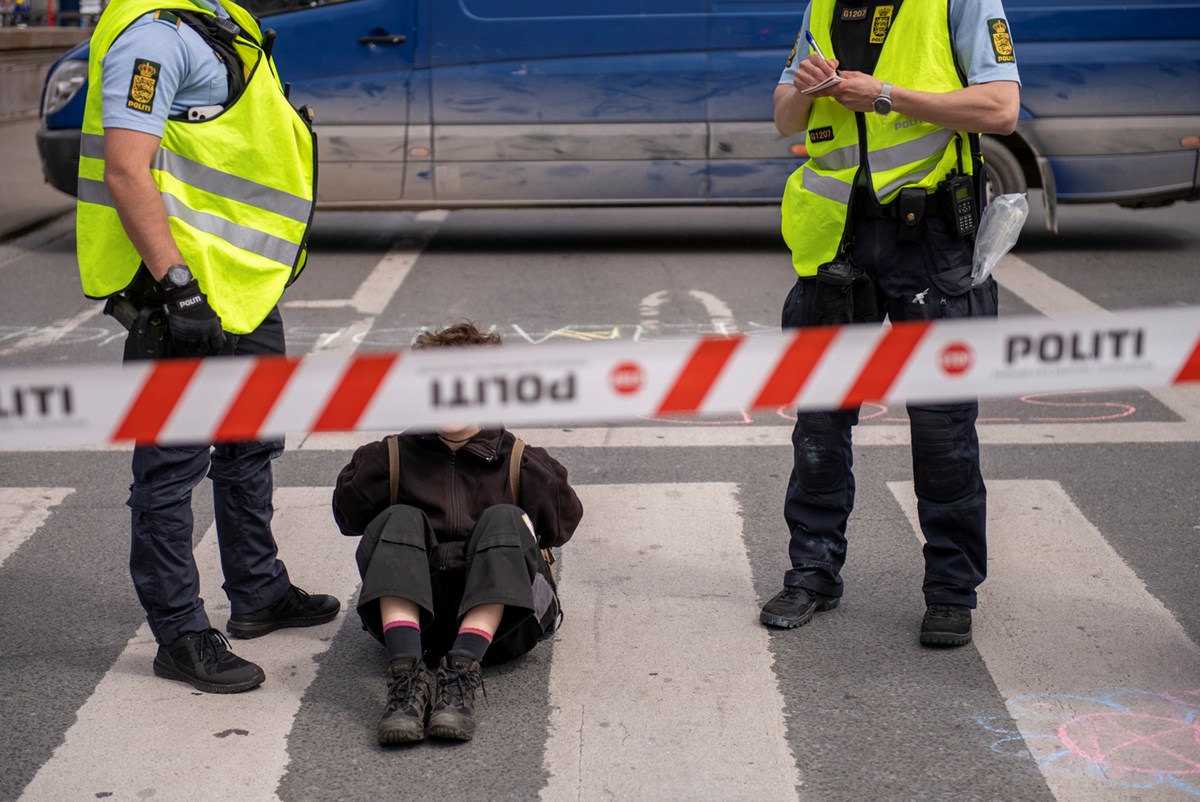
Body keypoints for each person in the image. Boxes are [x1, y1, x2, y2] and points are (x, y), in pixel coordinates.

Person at [76, 0, 336, 694]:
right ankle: (180, 632)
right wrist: (178, 287)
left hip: (244, 287)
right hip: (185, 295)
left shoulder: (222, 19)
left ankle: (257, 591)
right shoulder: (153, 39)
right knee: (171, 470)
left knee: (250, 442)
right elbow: (127, 170)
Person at [759, 0, 1021, 646]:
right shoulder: (825, 5)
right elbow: (782, 116)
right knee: (820, 415)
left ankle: (951, 591)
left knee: (942, 423)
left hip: (930, 237)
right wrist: (805, 88)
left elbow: (1001, 109)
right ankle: (812, 571)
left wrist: (885, 97)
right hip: (841, 239)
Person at [332, 321, 584, 744]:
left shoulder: (517, 458)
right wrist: (376, 464)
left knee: (505, 517)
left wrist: (530, 494)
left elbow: (563, 524)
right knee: (398, 519)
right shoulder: (395, 454)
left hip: (503, 625)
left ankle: (461, 674)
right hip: (418, 623)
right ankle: (407, 680)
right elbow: (348, 518)